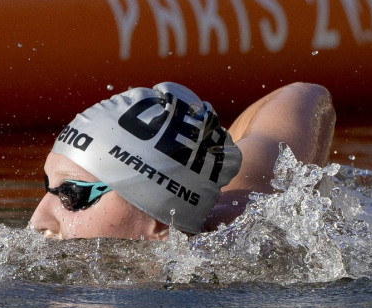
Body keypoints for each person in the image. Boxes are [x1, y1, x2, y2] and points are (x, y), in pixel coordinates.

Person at [29, 82, 335, 240]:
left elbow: (308, 96)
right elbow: (301, 95)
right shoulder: (249, 184)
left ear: (161, 220)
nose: (37, 220)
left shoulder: (257, 236)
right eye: (48, 186)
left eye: (72, 194)